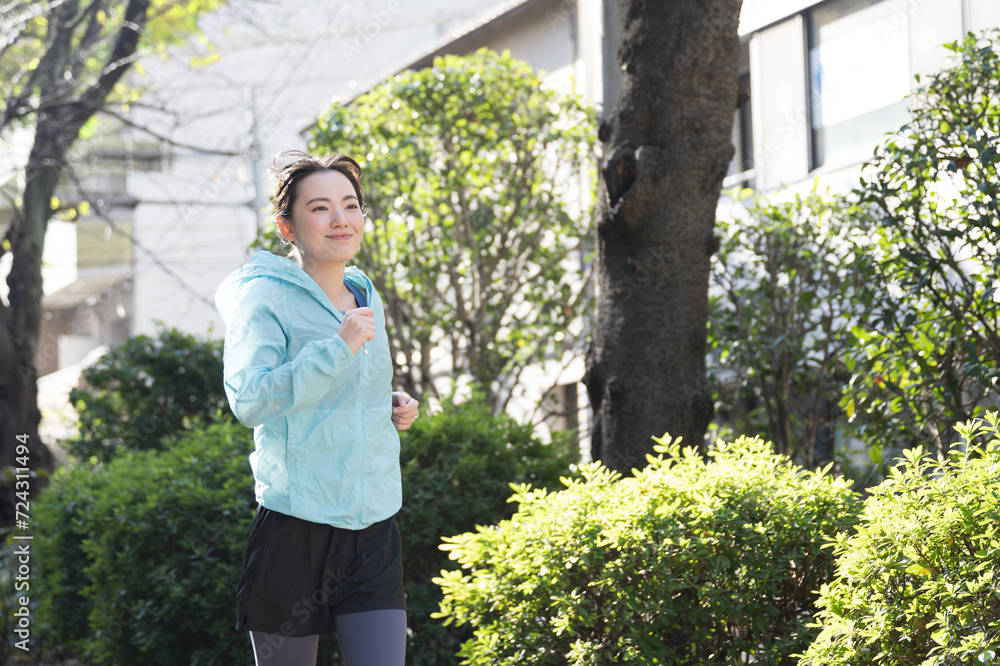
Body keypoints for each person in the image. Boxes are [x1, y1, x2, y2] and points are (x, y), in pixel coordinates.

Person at [215, 151, 419, 666]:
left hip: (373, 527)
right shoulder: (263, 299)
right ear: (287, 226)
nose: (340, 219)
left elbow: (341, 390)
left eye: (350, 205)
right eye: (321, 208)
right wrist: (337, 348)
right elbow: (250, 399)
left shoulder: (364, 293)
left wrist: (385, 403)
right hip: (296, 526)